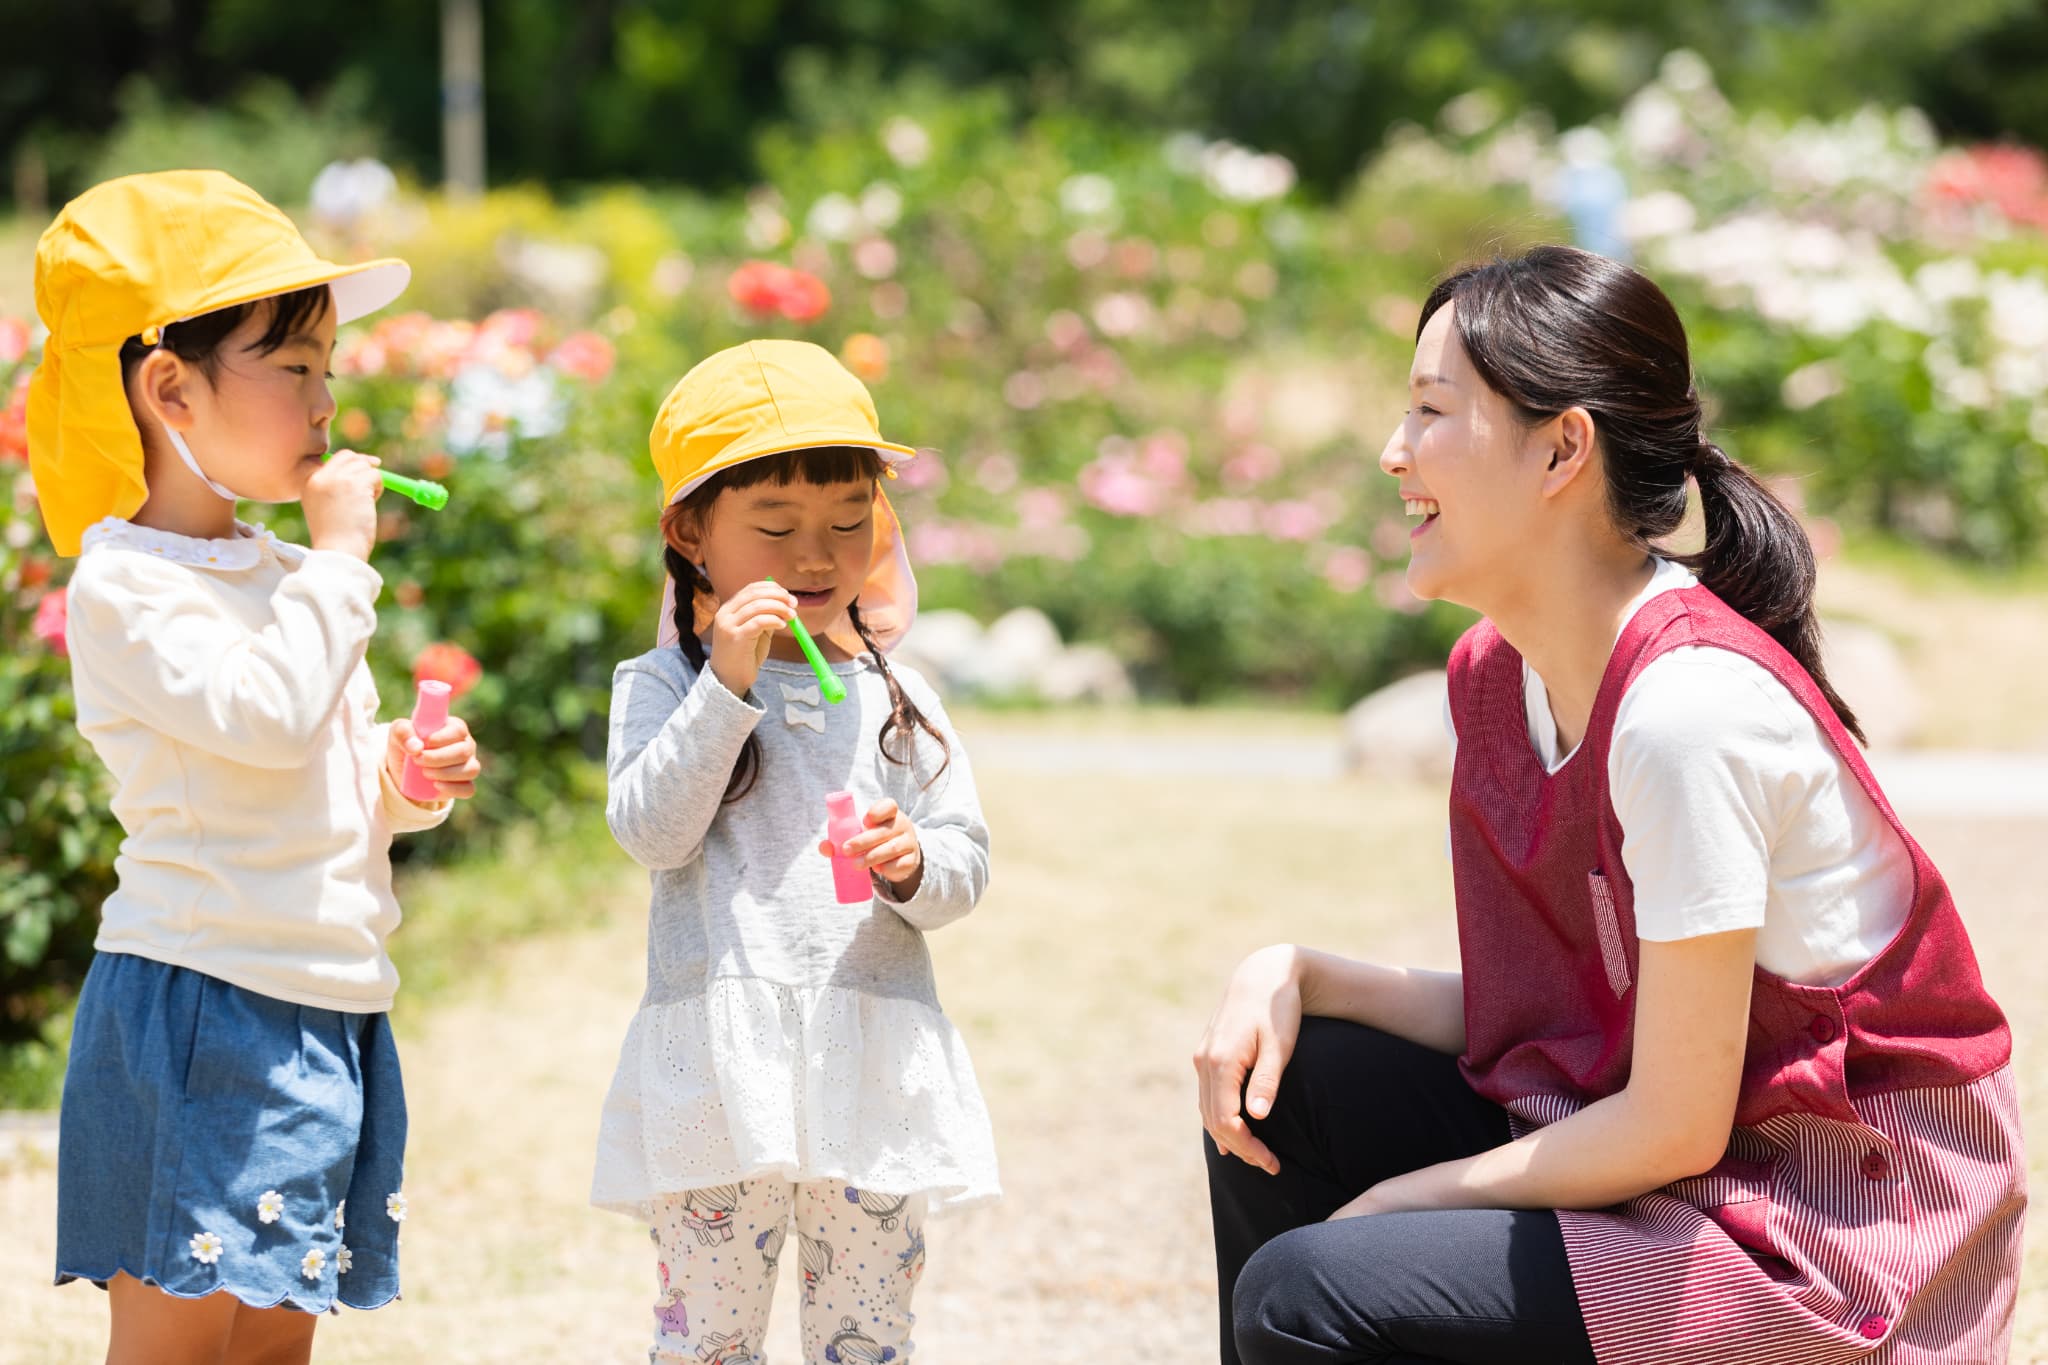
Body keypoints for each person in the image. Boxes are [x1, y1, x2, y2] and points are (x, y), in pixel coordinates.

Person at [1196, 245, 2024, 1365]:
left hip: (1823, 1233)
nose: (1394, 452)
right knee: (1285, 1083)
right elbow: (1550, 1018)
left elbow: (1674, 1119)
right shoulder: (1496, 676)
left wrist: (1401, 1200)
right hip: (1678, 1162)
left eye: (1431, 411)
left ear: (1561, 449)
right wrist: (1297, 971)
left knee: (1307, 1292)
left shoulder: (1689, 712)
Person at [33, 170, 483, 1364]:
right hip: (202, 1001)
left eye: (328, 368)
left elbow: (318, 765)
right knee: (177, 1346)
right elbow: (268, 717)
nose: (327, 404)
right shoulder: (124, 584)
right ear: (169, 388)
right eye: (293, 368)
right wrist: (342, 561)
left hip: (328, 996)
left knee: (276, 1345)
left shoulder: (288, 575)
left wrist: (403, 776)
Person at [593, 339, 999, 1364]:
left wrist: (914, 864)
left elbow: (964, 863)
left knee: (867, 1340)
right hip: (719, 1079)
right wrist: (723, 685)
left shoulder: (898, 697)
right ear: (689, 531)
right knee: (708, 1342)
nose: (817, 557)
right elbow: (650, 830)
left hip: (871, 1073)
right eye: (775, 527)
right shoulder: (661, 685)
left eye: (849, 522)